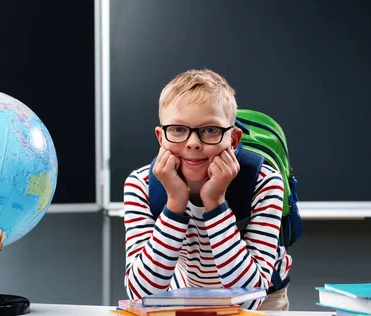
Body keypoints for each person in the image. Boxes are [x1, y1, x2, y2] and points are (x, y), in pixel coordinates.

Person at [123, 69, 292, 310]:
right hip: (186, 293)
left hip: (267, 296)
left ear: (233, 140)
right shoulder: (142, 185)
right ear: (161, 137)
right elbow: (141, 294)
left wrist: (215, 203)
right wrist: (174, 204)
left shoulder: (264, 182)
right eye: (178, 129)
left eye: (210, 130)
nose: (193, 143)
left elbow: (251, 297)